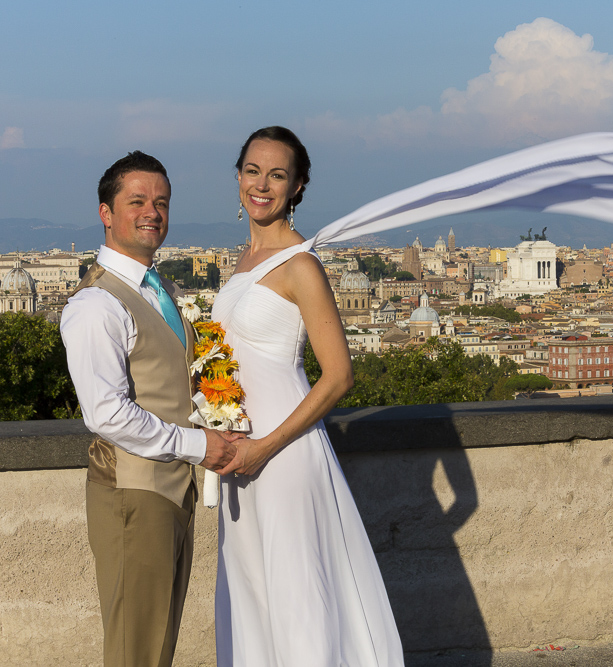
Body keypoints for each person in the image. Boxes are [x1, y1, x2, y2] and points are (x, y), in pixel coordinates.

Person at [211, 127, 404, 665]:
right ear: (238, 178)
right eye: (253, 171)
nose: (262, 185)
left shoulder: (302, 265)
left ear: (297, 188)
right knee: (252, 588)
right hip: (238, 449)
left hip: (283, 449)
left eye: (277, 175)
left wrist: (266, 445)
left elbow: (339, 375)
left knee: (296, 592)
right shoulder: (241, 264)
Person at [61, 151, 242, 667]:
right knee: (136, 650)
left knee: (154, 643)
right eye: (136, 201)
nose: (151, 212)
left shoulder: (159, 288)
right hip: (133, 495)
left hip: (165, 492)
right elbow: (106, 415)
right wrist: (198, 443)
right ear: (106, 212)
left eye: (160, 202)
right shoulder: (96, 305)